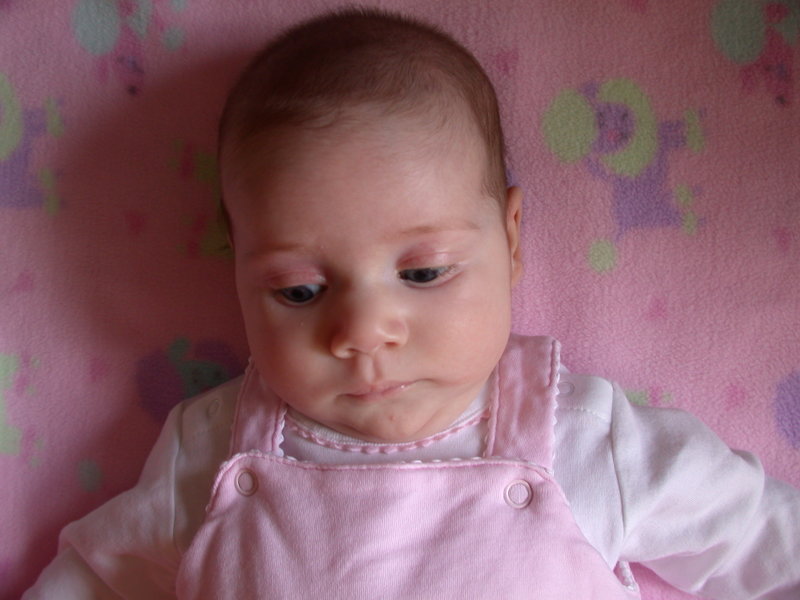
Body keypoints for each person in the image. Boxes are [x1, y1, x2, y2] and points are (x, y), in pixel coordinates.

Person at [25, 8, 800, 599]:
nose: (363, 332)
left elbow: (762, 538)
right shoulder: (208, 455)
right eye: (300, 290)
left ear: (511, 240)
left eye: (424, 273)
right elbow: (93, 578)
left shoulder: (587, 440)